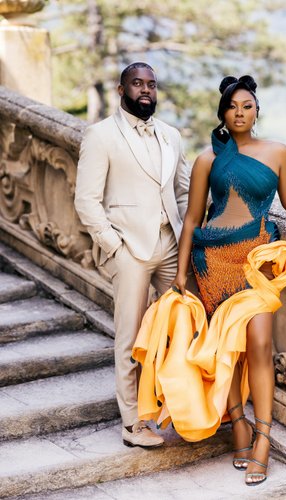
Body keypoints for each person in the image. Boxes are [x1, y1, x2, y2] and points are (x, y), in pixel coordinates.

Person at [169, 75, 286, 486]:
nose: (240, 113)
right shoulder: (208, 159)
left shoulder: (278, 153)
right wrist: (182, 271)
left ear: (257, 111)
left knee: (259, 343)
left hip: (256, 259)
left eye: (248, 106)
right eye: (232, 107)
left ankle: (262, 438)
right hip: (213, 259)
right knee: (229, 347)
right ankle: (238, 422)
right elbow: (191, 219)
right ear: (222, 113)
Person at [74, 62, 190, 448]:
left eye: (151, 85)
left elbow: (183, 193)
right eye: (137, 83)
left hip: (170, 244)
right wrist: (115, 247)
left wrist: (190, 237)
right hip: (129, 249)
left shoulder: (171, 136)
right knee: (130, 336)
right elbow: (86, 201)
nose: (145, 90)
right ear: (121, 90)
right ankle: (132, 423)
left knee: (184, 325)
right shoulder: (100, 135)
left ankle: (180, 409)